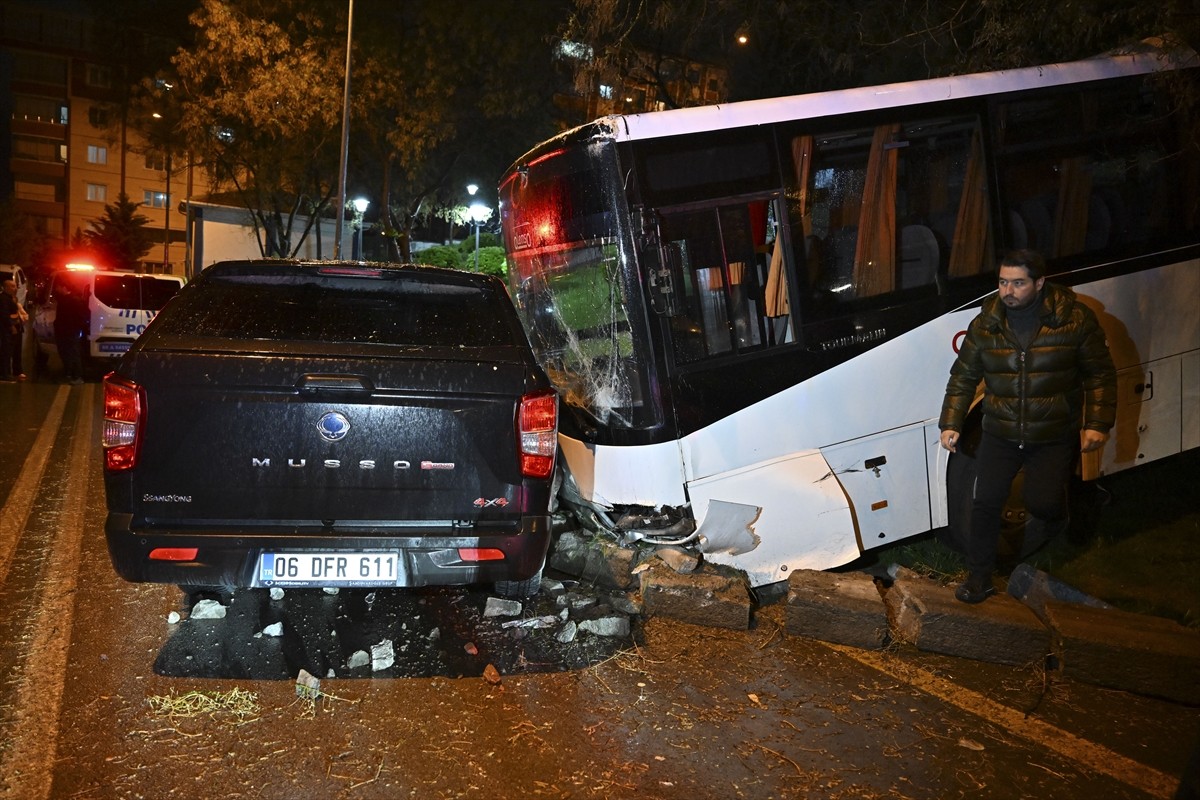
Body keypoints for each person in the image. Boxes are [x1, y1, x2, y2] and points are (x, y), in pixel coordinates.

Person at [939, 249, 1117, 603]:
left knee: (1042, 503)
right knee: (985, 503)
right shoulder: (986, 323)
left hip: (1051, 435)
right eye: (1003, 282)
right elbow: (963, 377)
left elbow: (1099, 373)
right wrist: (952, 421)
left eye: (1018, 283)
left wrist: (1097, 422)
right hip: (1000, 432)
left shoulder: (1074, 320)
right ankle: (979, 579)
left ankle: (1063, 511)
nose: (1008, 291)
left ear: (1039, 283)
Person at [53, 278, 89, 385]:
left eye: (58, 287)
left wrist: (76, 329)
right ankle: (68, 374)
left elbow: (81, 317)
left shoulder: (75, 300)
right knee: (65, 353)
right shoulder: (63, 299)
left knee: (74, 353)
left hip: (71, 332)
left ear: (64, 287)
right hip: (62, 331)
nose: (57, 289)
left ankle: (78, 376)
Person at [0, 278, 25, 382]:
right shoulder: (3, 299)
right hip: (7, 329)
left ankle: (12, 372)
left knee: (12, 351)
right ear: (6, 287)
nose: (15, 288)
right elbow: (4, 315)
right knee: (6, 351)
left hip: (14, 327)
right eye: (12, 286)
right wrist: (11, 326)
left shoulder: (11, 298)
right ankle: (4, 374)